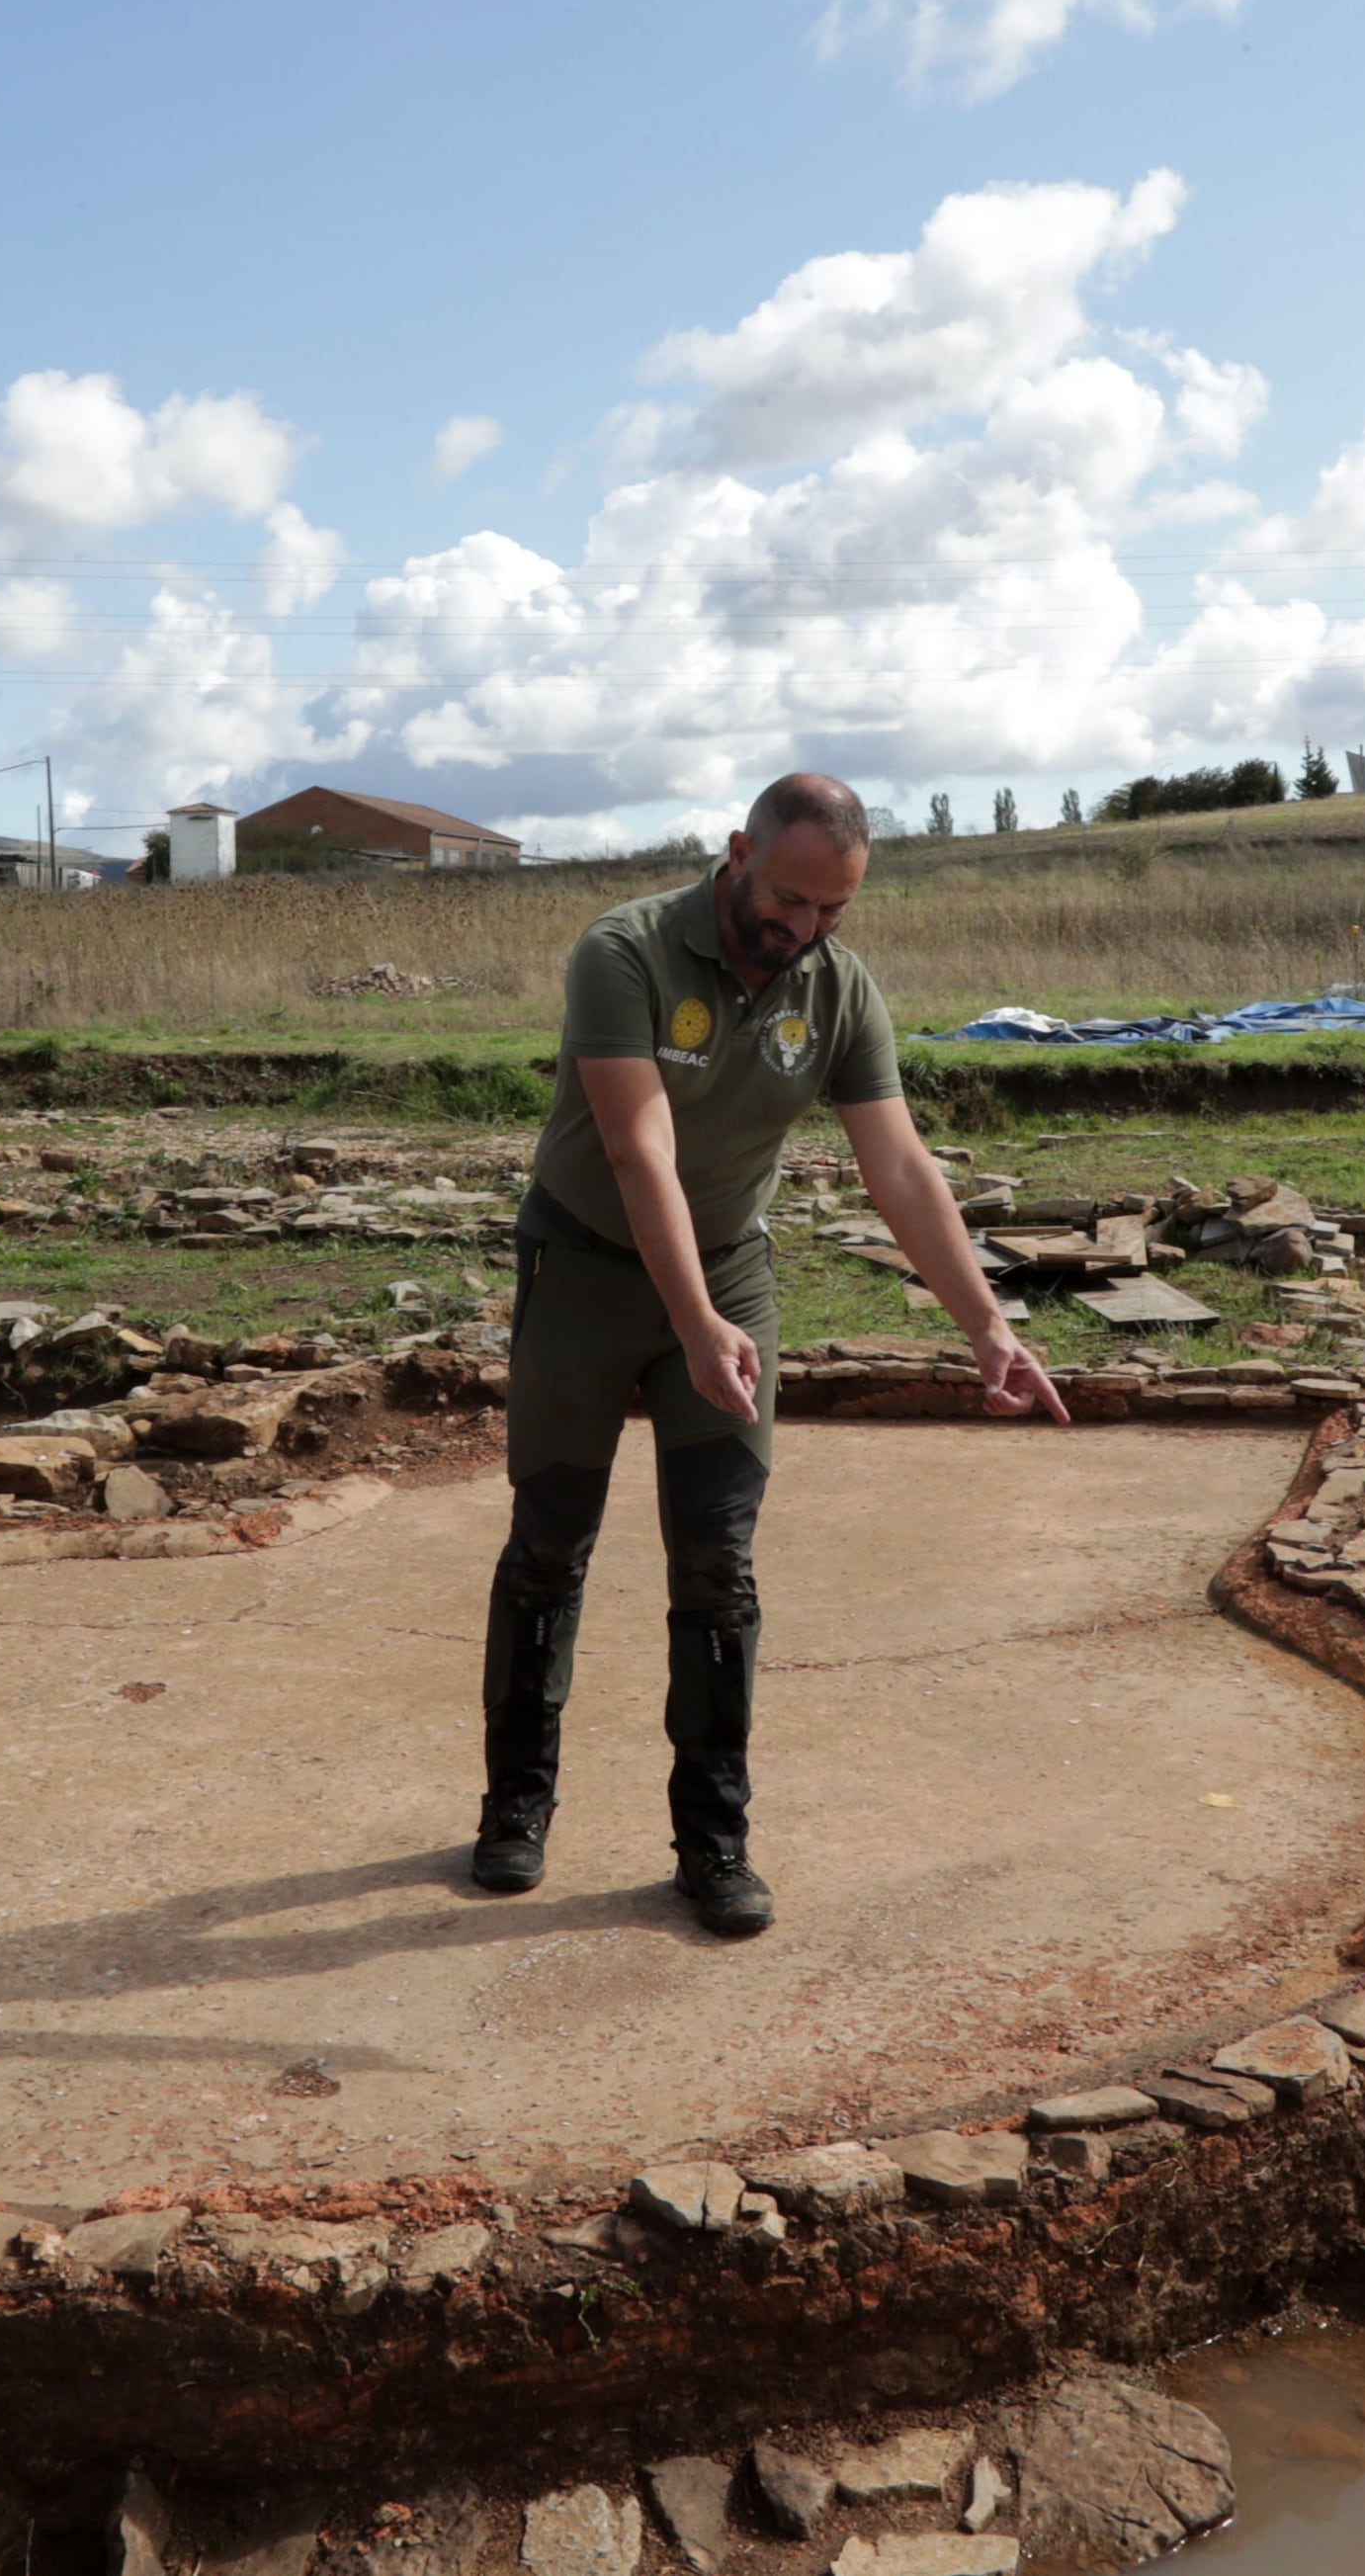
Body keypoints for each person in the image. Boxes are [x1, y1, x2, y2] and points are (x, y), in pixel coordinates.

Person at [474, 771, 1070, 1936]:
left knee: (716, 1563)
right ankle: (515, 1806)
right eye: (788, 897)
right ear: (737, 850)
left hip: (730, 1274)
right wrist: (688, 1324)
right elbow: (638, 1148)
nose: (800, 927)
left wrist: (987, 1327)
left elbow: (897, 1165)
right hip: (589, 1272)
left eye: (830, 910)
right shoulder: (625, 950)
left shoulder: (837, 990)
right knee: (549, 1543)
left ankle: (712, 1841)